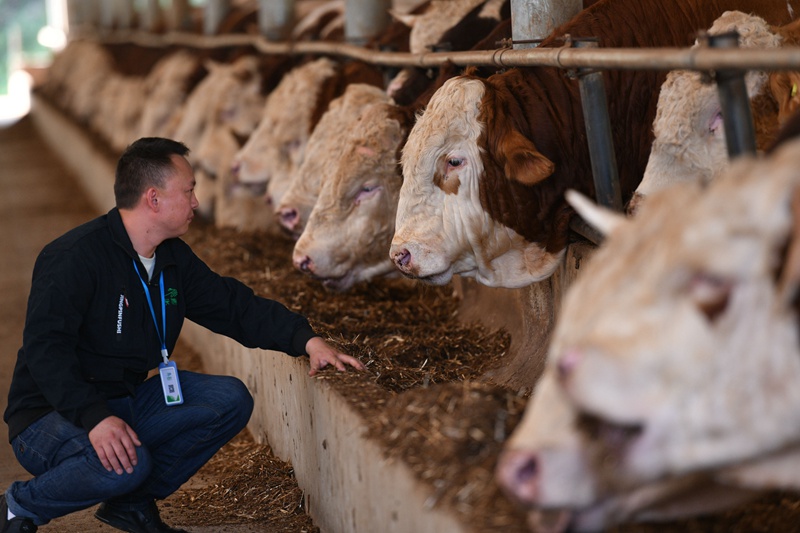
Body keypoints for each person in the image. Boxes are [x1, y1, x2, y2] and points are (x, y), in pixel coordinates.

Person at [1, 137, 365, 533]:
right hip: (50, 415)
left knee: (228, 399)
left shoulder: (171, 256)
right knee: (127, 466)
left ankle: (130, 504)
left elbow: (233, 306)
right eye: (189, 190)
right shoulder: (73, 258)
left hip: (122, 401)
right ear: (153, 199)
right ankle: (17, 507)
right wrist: (95, 418)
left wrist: (306, 340)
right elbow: (45, 352)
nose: (196, 202)